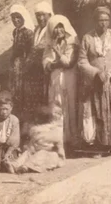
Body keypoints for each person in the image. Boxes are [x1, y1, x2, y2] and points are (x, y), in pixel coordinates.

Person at [78, 6, 111, 155]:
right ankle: (101, 145)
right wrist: (96, 73)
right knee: (97, 113)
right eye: (100, 20)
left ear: (109, 21)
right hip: (95, 83)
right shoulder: (87, 38)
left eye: (106, 20)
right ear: (95, 21)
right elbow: (82, 61)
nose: (103, 23)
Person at [42, 15, 79, 149]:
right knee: (56, 107)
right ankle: (59, 140)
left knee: (70, 106)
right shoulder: (49, 44)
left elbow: (68, 63)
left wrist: (57, 54)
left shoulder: (72, 42)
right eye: (55, 28)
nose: (58, 31)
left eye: (61, 27)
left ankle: (73, 139)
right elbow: (46, 62)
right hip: (56, 79)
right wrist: (53, 64)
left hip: (69, 79)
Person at [8, 5, 44, 123]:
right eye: (13, 18)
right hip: (16, 67)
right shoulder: (15, 32)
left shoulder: (28, 33)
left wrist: (25, 67)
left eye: (18, 17)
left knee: (25, 94)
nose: (15, 20)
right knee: (16, 93)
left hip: (25, 68)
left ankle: (26, 122)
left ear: (23, 17)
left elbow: (31, 52)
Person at [5, 104, 66, 174]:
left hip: (50, 155)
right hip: (35, 151)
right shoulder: (35, 131)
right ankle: (15, 165)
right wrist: (29, 150)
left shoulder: (54, 131)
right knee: (26, 154)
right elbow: (32, 145)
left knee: (40, 154)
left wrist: (61, 159)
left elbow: (60, 148)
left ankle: (25, 167)